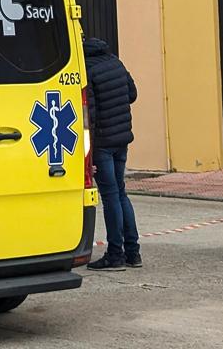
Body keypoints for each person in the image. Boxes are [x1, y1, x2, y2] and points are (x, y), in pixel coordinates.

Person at [83, 37, 141, 271]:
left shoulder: (87, 69)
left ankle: (115, 255)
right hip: (122, 139)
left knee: (110, 197)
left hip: (103, 143)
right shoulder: (115, 63)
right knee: (121, 192)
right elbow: (132, 94)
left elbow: (91, 114)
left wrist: (89, 153)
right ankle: (133, 252)